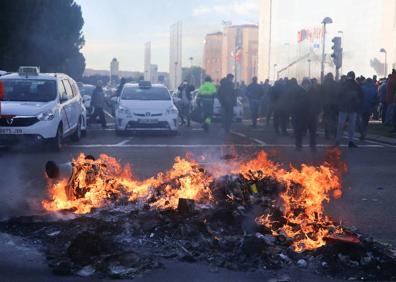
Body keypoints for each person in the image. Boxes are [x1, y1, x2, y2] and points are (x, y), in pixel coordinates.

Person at [291, 78, 321, 151]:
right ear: (303, 85)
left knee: (313, 132)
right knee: (299, 132)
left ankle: (313, 146)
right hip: (301, 116)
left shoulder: (314, 92)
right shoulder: (298, 92)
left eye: (307, 84)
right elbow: (294, 103)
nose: (306, 86)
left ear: (309, 85)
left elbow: (319, 103)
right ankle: (298, 146)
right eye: (305, 84)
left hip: (312, 115)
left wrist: (318, 112)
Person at [335, 71, 363, 148]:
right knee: (351, 126)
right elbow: (361, 96)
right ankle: (349, 141)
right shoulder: (356, 85)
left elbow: (338, 96)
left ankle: (338, 140)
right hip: (350, 108)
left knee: (341, 125)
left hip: (346, 108)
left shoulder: (343, 85)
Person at [321, 73, 338, 139]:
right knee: (334, 119)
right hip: (334, 105)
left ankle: (327, 133)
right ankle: (335, 133)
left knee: (327, 119)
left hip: (326, 104)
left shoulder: (324, 84)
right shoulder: (336, 84)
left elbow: (321, 95)